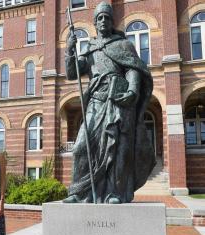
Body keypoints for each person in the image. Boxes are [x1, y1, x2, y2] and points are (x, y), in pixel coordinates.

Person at [64, 1, 155, 204]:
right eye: (99, 18)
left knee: (118, 150)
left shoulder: (123, 45)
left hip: (118, 101)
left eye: (107, 17)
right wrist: (69, 50)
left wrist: (132, 90)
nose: (103, 20)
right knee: (81, 146)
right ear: (95, 23)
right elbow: (73, 73)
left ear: (112, 22)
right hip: (96, 101)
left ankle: (115, 193)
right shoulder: (90, 48)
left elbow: (133, 69)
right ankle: (80, 192)